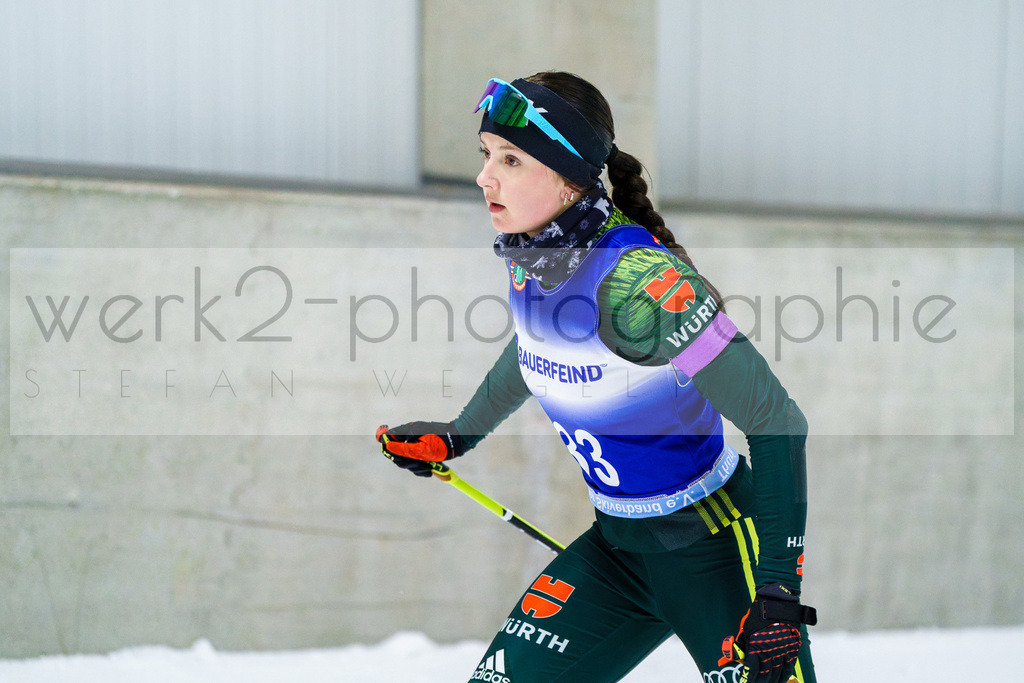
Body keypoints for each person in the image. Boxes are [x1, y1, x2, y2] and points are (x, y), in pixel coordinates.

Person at [376, 71, 817, 683]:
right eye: (485, 155)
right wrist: (461, 434)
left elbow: (777, 422)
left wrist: (776, 591)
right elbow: (536, 346)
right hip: (618, 550)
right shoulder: (535, 256)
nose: (485, 176)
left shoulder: (639, 285)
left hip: (712, 550)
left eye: (510, 159)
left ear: (568, 180)